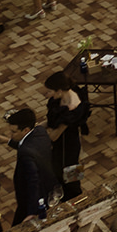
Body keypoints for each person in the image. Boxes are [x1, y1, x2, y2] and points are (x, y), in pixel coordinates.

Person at [43, 70, 87, 200]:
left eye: (50, 91)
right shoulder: (64, 96)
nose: (47, 95)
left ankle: (76, 199)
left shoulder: (72, 109)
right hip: (61, 145)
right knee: (58, 171)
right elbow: (51, 122)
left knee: (70, 176)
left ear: (59, 91)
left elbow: (54, 136)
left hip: (68, 146)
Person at [6, 107, 53, 224]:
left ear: (25, 130)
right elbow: (31, 148)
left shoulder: (25, 153)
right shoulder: (40, 132)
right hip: (47, 188)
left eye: (13, 132)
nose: (10, 135)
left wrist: (31, 212)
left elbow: (33, 181)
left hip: (28, 201)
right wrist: (7, 141)